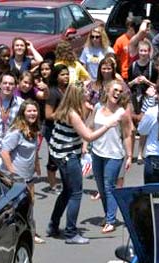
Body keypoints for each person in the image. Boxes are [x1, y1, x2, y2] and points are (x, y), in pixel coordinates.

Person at [46, 83, 119, 245]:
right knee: (76, 193)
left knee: (66, 191)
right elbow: (89, 136)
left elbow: (85, 124)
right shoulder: (73, 114)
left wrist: (91, 112)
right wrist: (108, 126)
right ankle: (71, 233)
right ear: (77, 96)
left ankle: (53, 225)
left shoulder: (64, 109)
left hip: (59, 154)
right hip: (68, 156)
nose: (89, 94)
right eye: (85, 93)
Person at [87, 81, 133, 234]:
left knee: (109, 187)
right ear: (107, 91)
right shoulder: (98, 108)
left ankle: (111, 220)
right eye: (115, 90)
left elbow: (127, 135)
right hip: (97, 153)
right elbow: (90, 127)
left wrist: (129, 155)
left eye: (120, 91)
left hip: (114, 155)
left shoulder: (122, 112)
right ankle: (108, 215)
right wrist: (84, 146)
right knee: (101, 187)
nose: (117, 93)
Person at [0, 99, 45, 244]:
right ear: (23, 113)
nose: (33, 113)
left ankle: (31, 233)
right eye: (29, 111)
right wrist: (13, 173)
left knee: (30, 204)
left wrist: (37, 165)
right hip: (15, 179)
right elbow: (5, 152)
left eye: (35, 111)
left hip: (28, 176)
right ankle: (9, 236)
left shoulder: (34, 129)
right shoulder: (16, 131)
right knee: (14, 208)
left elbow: (34, 150)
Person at [44, 64, 70, 193]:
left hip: (66, 128)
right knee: (53, 156)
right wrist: (64, 113)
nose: (66, 77)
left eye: (67, 74)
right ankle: (53, 185)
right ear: (56, 76)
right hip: (52, 129)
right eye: (62, 74)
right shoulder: (53, 92)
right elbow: (48, 115)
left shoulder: (69, 90)